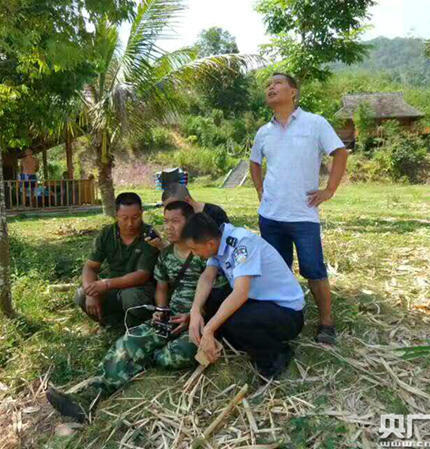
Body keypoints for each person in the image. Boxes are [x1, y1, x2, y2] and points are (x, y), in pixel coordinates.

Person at [47, 201, 216, 422]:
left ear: (190, 221)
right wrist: (161, 310)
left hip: (197, 323)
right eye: (166, 221)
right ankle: (89, 396)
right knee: (128, 342)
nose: (169, 227)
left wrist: (196, 315)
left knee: (172, 356)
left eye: (175, 221)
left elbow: (217, 293)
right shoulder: (166, 255)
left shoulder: (205, 254)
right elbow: (161, 287)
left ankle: (143, 360)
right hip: (170, 318)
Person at [249, 72, 348, 345]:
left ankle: (326, 322)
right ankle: (285, 317)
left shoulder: (315, 123)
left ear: (293, 92)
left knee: (314, 269)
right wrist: (259, 189)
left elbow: (340, 152)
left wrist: (329, 190)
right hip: (270, 216)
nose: (271, 88)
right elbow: (254, 162)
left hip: (303, 215)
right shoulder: (263, 132)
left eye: (277, 83)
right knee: (278, 269)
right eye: (268, 85)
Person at [183, 213, 305, 379]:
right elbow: (207, 277)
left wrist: (209, 328)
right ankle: (226, 342)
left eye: (194, 249)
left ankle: (276, 356)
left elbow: (241, 293)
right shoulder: (217, 244)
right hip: (258, 301)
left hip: (286, 313)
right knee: (211, 300)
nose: (194, 254)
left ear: (210, 243)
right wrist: (195, 310)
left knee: (239, 322)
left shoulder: (242, 243)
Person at [73, 192, 160, 327]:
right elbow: (90, 267)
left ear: (142, 213)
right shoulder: (107, 233)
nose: (130, 223)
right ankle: (111, 323)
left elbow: (142, 275)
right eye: (124, 218)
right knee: (81, 295)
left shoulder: (150, 235)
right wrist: (90, 292)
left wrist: (105, 284)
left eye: (135, 217)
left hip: (140, 289)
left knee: (131, 297)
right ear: (116, 215)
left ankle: (137, 327)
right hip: (113, 287)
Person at [146, 183, 230, 251]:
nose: (171, 211)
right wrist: (161, 244)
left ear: (187, 200)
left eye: (175, 206)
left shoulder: (215, 214)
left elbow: (225, 246)